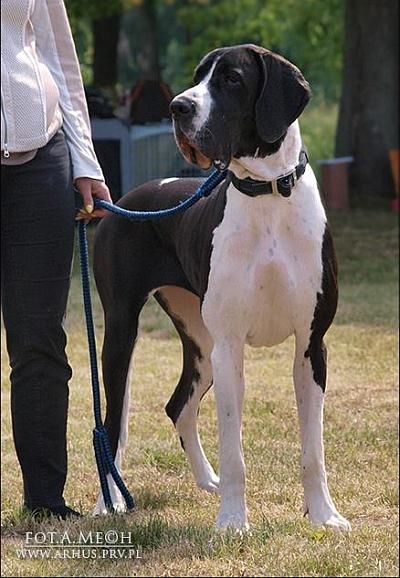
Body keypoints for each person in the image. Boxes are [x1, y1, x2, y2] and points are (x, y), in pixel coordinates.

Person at [1, 0, 113, 519]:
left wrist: (85, 160)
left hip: (40, 163)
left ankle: (46, 501)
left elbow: (59, 58)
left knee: (40, 338)